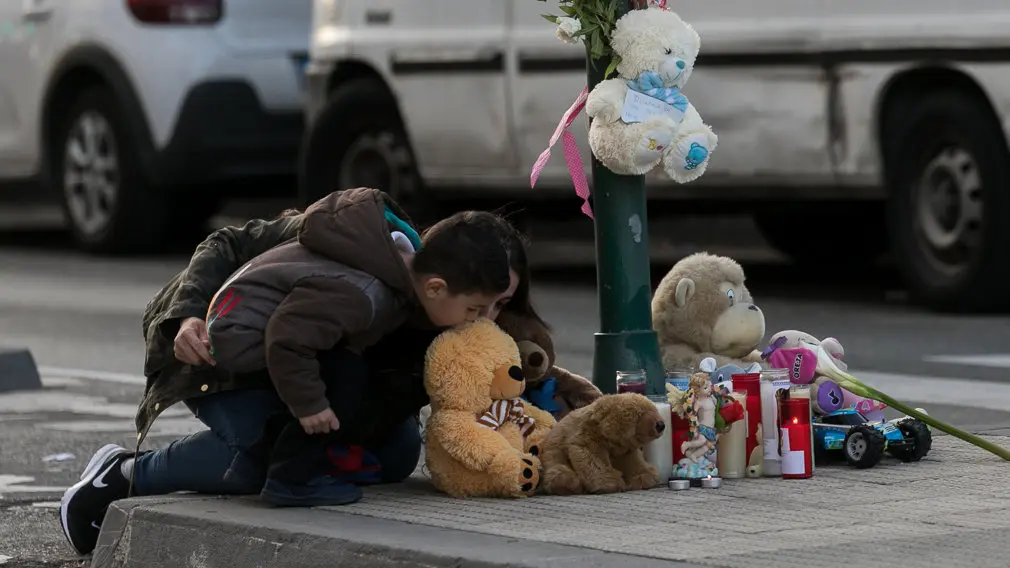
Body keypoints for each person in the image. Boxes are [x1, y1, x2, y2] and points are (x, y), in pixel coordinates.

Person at [58, 188, 515, 555]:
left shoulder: (434, 295)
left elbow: (513, 353)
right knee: (260, 464)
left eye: (502, 305)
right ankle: (123, 474)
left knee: (396, 452)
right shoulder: (346, 237)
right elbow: (226, 245)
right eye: (481, 307)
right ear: (439, 286)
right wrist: (189, 315)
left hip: (296, 367)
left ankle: (304, 454)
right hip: (215, 352)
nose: (488, 319)